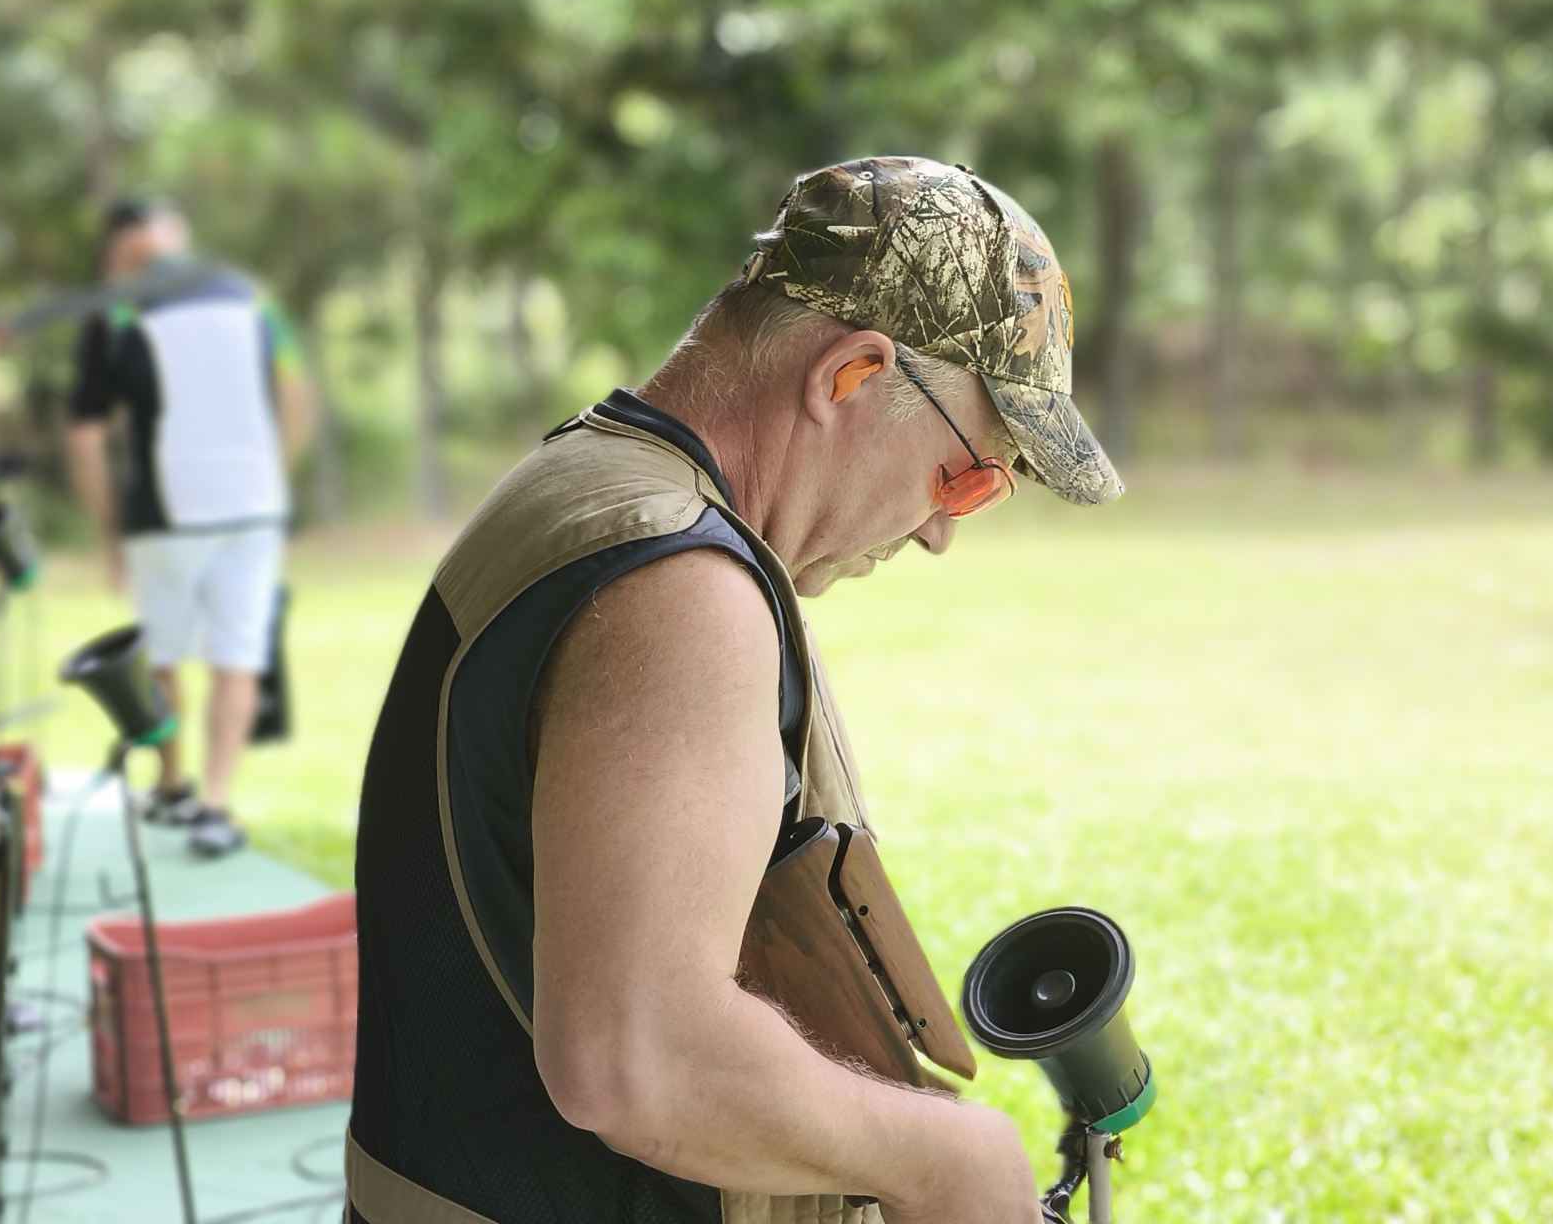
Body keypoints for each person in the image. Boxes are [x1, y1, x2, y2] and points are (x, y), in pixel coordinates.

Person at [347, 157, 1122, 1224]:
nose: (941, 532)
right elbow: (637, 1058)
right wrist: (947, 1159)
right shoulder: (682, 588)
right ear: (850, 374)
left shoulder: (580, 485)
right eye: (968, 476)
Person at [65, 195, 310, 858]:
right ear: (177, 235)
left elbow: (87, 437)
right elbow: (295, 395)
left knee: (166, 657)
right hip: (254, 506)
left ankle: (172, 786)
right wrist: (274, 477)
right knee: (239, 656)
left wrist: (109, 529)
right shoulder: (252, 296)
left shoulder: (114, 310)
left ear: (119, 252)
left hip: (164, 514)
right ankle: (215, 806)